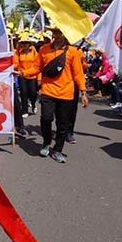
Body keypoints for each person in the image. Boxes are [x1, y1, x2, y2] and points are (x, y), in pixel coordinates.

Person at [31, 26, 88, 163]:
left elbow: (78, 74)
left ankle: (57, 150)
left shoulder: (73, 52)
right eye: (54, 32)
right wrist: (21, 72)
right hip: (48, 91)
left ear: (65, 34)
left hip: (66, 94)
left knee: (63, 124)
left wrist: (83, 92)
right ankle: (46, 142)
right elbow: (36, 67)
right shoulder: (44, 49)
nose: (56, 35)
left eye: (59, 32)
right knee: (46, 118)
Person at [66, 45, 88, 144]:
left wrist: (80, 61)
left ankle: (69, 132)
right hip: (58, 85)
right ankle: (61, 130)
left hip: (73, 84)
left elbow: (84, 67)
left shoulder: (77, 51)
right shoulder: (53, 48)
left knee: (71, 109)